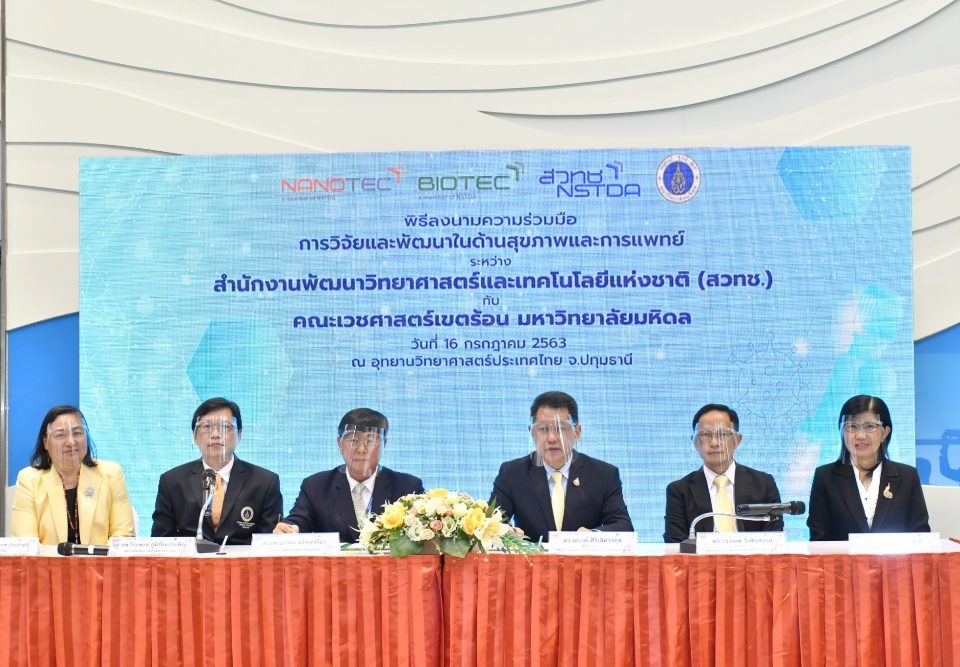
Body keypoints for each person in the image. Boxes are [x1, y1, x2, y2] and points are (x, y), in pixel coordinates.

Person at [490, 391, 633, 543]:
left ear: (577, 432)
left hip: (582, 558)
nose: (552, 438)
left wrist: (592, 535)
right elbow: (489, 524)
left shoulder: (603, 474)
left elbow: (624, 527)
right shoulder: (512, 474)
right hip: (531, 558)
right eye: (543, 429)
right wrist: (507, 532)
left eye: (561, 429)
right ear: (532, 433)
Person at [274, 408, 423, 542]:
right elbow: (298, 521)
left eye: (371, 440)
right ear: (339, 443)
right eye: (353, 440)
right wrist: (289, 529)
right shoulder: (316, 486)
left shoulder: (408, 487)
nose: (362, 449)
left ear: (384, 444)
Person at [152, 397, 282, 545]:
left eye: (225, 427)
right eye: (207, 426)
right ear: (195, 436)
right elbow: (160, 543)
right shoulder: (172, 481)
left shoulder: (265, 482)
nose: (215, 434)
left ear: (239, 435)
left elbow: (270, 545)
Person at [807, 395, 930, 540]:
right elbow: (819, 540)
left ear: (885, 432)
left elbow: (921, 536)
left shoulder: (907, 476)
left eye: (870, 426)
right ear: (842, 432)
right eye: (852, 426)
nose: (860, 435)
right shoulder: (825, 477)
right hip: (842, 556)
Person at [12, 405, 135, 545]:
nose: (71, 442)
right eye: (60, 435)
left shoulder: (111, 474)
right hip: (48, 560)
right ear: (45, 442)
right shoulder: (28, 479)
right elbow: (26, 544)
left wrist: (96, 559)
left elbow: (123, 537)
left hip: (101, 559)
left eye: (77, 433)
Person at [664, 403, 782, 543]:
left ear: (737, 440)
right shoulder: (679, 491)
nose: (714, 443)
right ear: (695, 443)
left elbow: (774, 540)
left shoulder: (763, 484)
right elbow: (675, 544)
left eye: (722, 434)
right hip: (701, 557)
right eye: (705, 435)